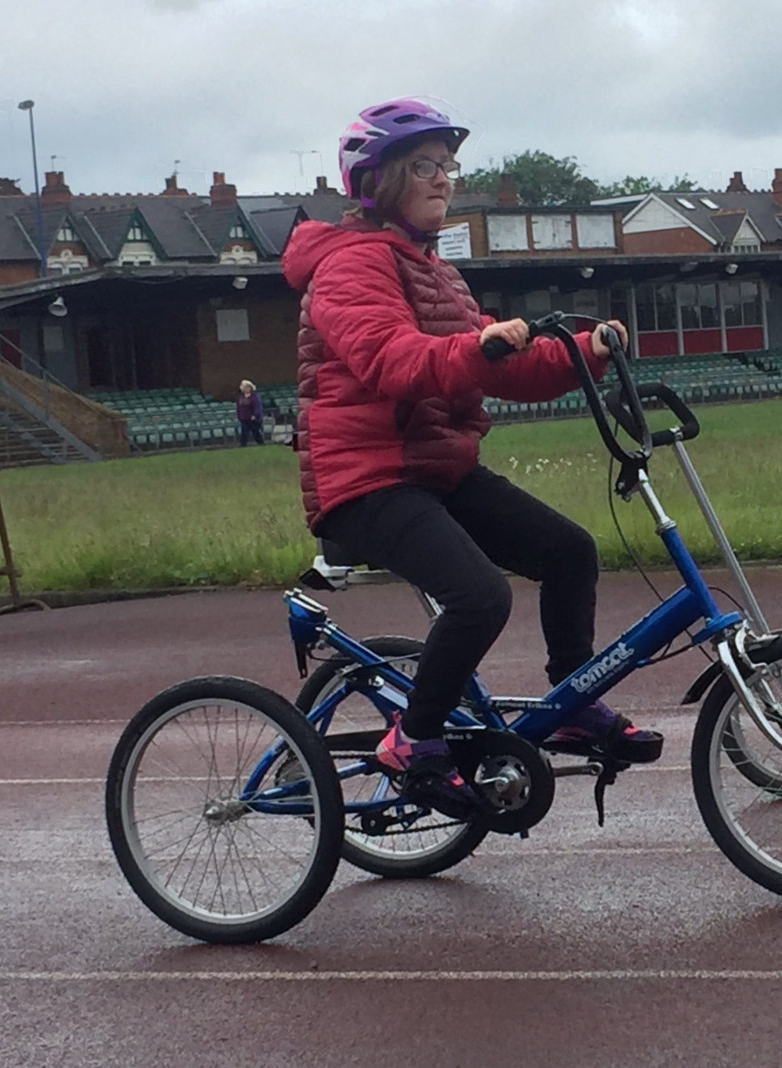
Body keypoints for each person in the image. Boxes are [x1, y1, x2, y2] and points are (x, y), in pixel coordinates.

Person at [281, 97, 661, 817]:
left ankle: (573, 700)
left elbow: (501, 362)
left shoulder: (437, 273)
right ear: (378, 180)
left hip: (435, 471)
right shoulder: (347, 267)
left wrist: (587, 351)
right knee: (482, 595)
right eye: (423, 166)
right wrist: (477, 347)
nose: (442, 179)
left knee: (570, 550)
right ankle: (412, 740)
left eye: (447, 166)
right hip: (366, 479)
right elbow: (392, 358)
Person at [235, 380, 264, 445]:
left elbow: (257, 406)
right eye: (245, 387)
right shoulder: (240, 397)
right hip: (244, 418)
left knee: (256, 432)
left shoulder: (254, 397)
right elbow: (238, 407)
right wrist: (239, 416)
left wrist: (255, 415)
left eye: (248, 387)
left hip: (253, 418)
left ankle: (261, 443)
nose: (246, 389)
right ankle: (243, 445)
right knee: (244, 433)